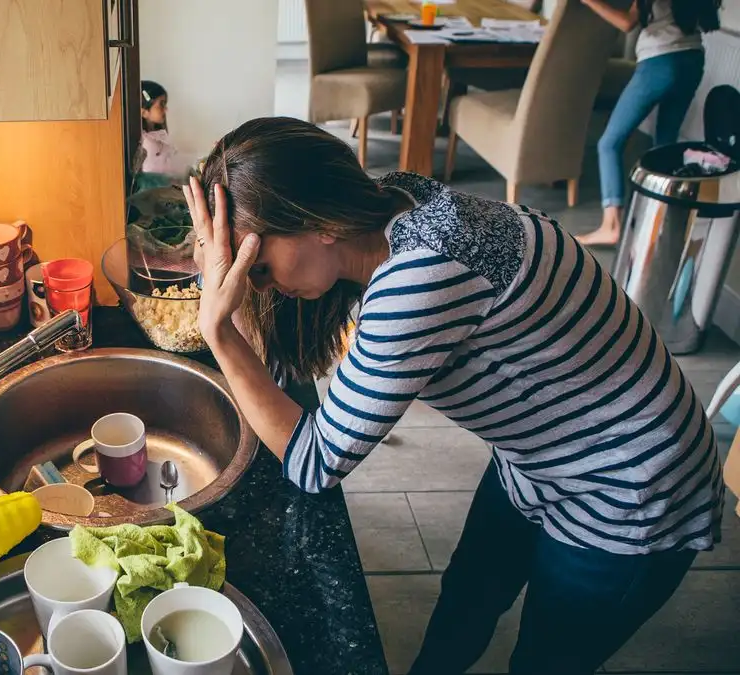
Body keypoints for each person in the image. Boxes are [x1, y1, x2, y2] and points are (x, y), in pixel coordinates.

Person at [184, 117, 723, 674]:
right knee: (468, 596)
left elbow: (314, 462)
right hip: (538, 458)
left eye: (259, 267)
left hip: (630, 486)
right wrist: (219, 279)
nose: (258, 285)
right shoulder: (398, 201)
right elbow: (273, 370)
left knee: (546, 659)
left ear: (321, 222)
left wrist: (219, 331)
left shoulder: (420, 276)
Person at [577, 0, 722, 246]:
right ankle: (662, 221)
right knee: (664, 143)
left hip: (659, 62)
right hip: (692, 58)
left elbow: (627, 22)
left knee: (609, 143)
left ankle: (611, 225)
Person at [139, 80, 184, 177]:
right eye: (162, 104)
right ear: (144, 112)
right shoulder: (146, 143)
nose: (166, 109)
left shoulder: (159, 136)